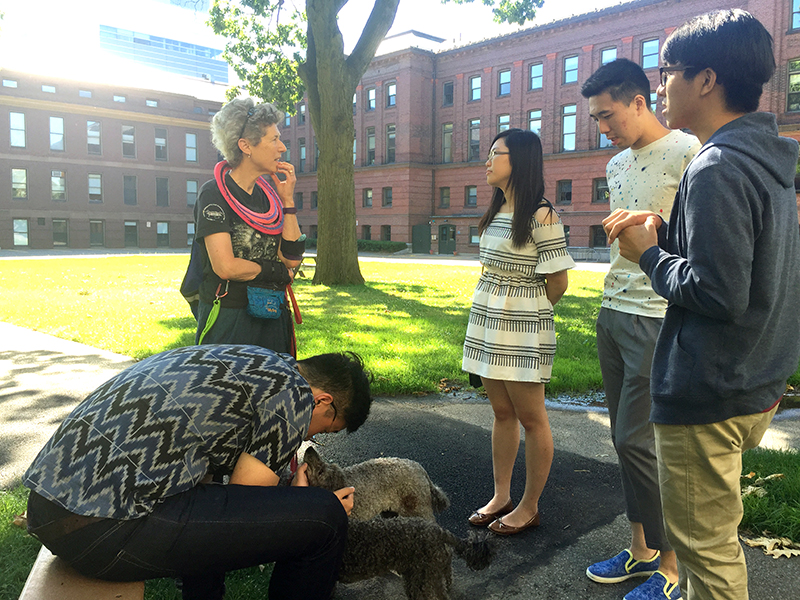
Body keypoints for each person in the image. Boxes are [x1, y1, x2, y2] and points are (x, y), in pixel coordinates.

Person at [603, 10, 800, 600]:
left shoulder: (716, 165)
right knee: (715, 539)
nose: (660, 85)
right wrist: (670, 236)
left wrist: (647, 255)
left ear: (706, 79)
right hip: (754, 379)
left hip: (708, 390)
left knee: (706, 558)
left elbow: (718, 292)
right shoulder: (768, 159)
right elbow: (750, 266)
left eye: (669, 73)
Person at [23, 345, 373, 600]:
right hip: (102, 531)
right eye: (323, 431)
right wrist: (303, 503)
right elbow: (243, 508)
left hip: (54, 511)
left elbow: (213, 498)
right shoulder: (295, 396)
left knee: (205, 495)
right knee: (324, 519)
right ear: (324, 401)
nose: (308, 437)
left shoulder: (252, 362)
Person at [580, 59, 700, 600]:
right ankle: (641, 551)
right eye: (595, 118)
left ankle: (671, 568)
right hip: (613, 309)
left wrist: (657, 230)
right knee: (623, 439)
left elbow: (702, 245)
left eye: (607, 115)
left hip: (658, 313)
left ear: (639, 101)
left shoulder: (688, 151)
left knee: (641, 441)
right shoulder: (614, 165)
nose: (602, 126)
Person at [463, 128, 575, 536]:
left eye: (496, 153)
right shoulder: (496, 212)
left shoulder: (542, 216)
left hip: (522, 331)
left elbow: (558, 283)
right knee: (501, 413)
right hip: (487, 324)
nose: (487, 160)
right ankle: (501, 496)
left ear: (520, 161)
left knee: (532, 418)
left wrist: (526, 319)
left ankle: (529, 506)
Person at [194, 97, 304, 355]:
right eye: (274, 139)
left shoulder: (272, 198)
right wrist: (276, 273)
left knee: (275, 391)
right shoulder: (213, 194)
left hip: (273, 314)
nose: (282, 148)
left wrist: (288, 200)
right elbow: (226, 266)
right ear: (245, 146)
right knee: (228, 393)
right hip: (230, 318)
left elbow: (291, 260)